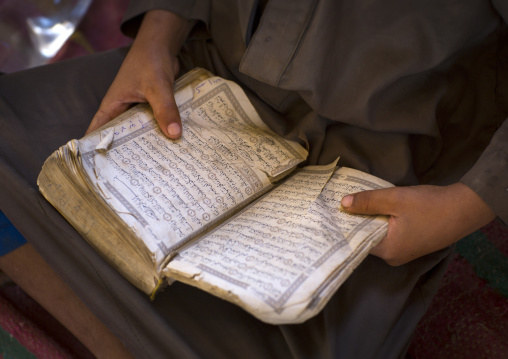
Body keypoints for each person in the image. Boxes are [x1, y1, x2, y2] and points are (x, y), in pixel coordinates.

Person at [0, 0, 507, 357]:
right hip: (198, 77)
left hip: (389, 158)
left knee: (289, 328)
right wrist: (158, 34)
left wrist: (464, 205)